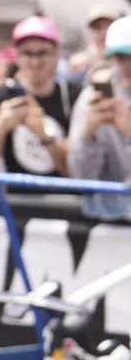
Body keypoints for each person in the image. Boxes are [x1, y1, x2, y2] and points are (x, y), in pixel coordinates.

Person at [0, 16, 79, 184]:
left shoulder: (72, 96)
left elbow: (75, 170)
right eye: (27, 53)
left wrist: (43, 134)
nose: (35, 62)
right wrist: (0, 126)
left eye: (42, 53)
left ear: (56, 53)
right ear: (16, 55)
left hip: (65, 201)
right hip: (15, 203)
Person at [68, 16, 131, 219]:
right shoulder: (91, 97)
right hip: (109, 221)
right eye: (121, 56)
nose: (127, 65)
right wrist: (87, 136)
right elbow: (81, 179)